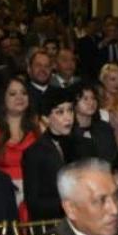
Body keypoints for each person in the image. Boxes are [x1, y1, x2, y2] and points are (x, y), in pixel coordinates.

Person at [0, 75, 40, 218]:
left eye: (24, 93)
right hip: (0, 193)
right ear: (3, 98)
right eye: (13, 94)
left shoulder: (39, 126)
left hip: (34, 192)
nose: (20, 97)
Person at [23, 87, 77, 221]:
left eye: (70, 110)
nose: (68, 117)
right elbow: (33, 203)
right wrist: (70, 205)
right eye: (60, 112)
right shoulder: (34, 153)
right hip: (51, 225)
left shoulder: (84, 145)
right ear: (46, 119)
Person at [70, 80, 118, 165]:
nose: (91, 102)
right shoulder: (68, 132)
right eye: (85, 99)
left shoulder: (105, 128)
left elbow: (113, 158)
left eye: (93, 98)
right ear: (74, 103)